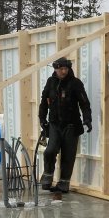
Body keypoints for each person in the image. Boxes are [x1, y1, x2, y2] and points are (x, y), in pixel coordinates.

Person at [38, 57, 92, 193]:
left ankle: (63, 184)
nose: (64, 71)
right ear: (55, 69)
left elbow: (84, 103)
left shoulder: (75, 83)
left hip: (72, 126)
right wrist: (42, 119)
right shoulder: (51, 82)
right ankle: (48, 176)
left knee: (68, 156)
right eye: (61, 69)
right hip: (55, 124)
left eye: (66, 69)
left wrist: (87, 119)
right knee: (50, 151)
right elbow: (44, 102)